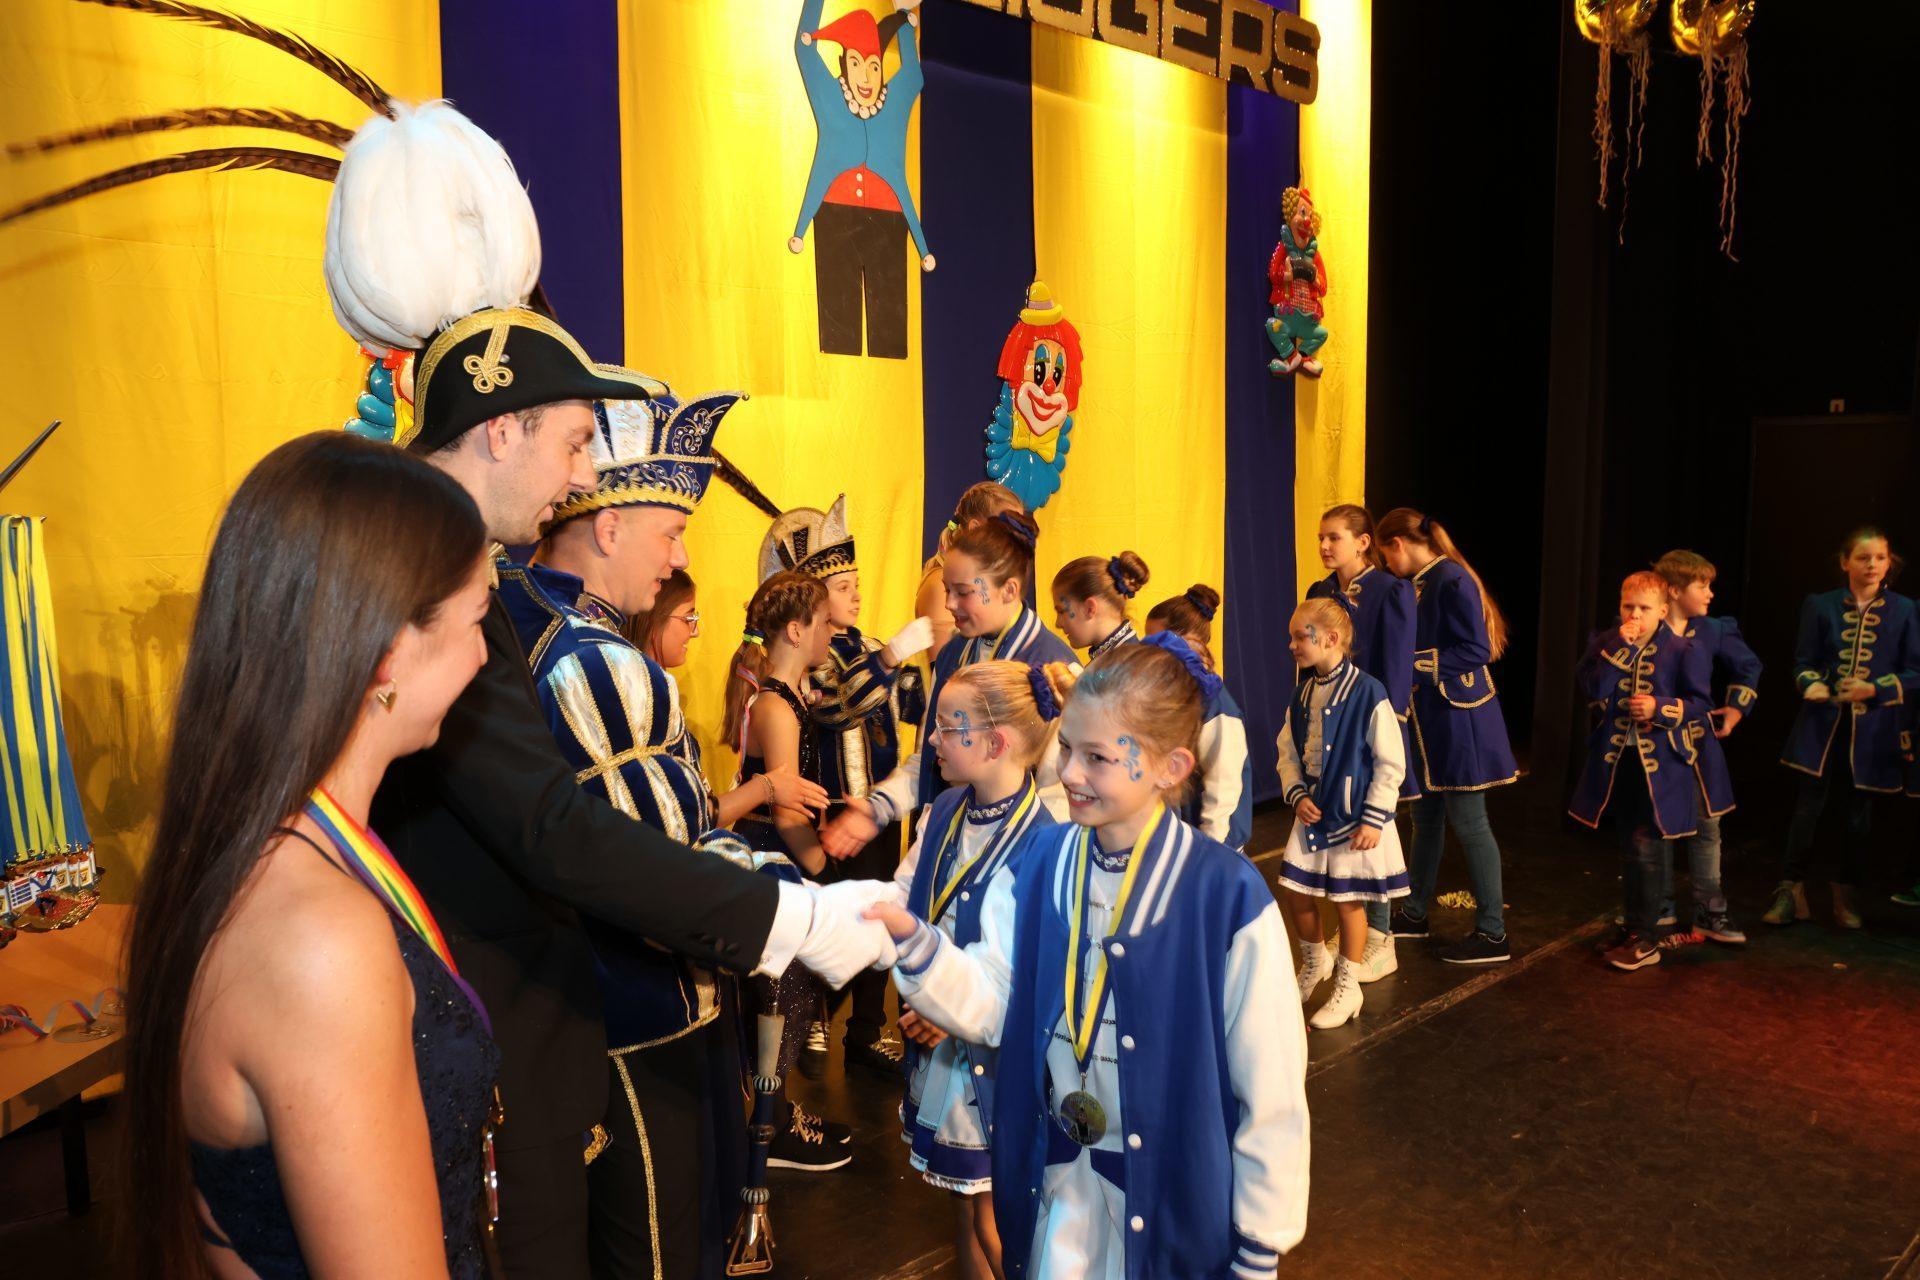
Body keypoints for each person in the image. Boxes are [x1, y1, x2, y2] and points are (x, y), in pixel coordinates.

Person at [322, 100, 895, 1268]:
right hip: (476, 1036)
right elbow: (555, 830)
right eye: (578, 441)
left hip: (518, 1032)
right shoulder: (429, 581)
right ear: (502, 430)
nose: (583, 476)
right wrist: (792, 915)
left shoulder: (457, 567)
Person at [123, 433, 495, 1278]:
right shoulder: (317, 936)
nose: (484, 655)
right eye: (478, 620)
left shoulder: (253, 849)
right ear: (389, 649)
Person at [865, 636, 1310, 1279]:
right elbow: (994, 1001)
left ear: (1171, 767)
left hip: (1171, 1201)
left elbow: (1269, 1087)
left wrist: (1259, 1244)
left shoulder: (1224, 897)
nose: (1070, 774)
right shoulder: (1043, 862)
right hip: (1059, 1187)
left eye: (1097, 758)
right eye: (1067, 749)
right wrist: (919, 945)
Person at [506, 388, 826, 1278]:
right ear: (608, 528)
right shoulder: (602, 661)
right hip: (645, 1016)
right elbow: (661, 868)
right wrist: (804, 909)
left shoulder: (524, 617)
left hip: (572, 1013)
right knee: (662, 1251)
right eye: (672, 533)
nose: (680, 558)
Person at [891, 660, 1060, 1280]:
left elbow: (1024, 971)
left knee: (998, 1216)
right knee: (964, 1205)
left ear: (995, 743)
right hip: (941, 1044)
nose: (933, 739)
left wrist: (947, 1006)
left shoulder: (1043, 842)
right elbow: (904, 894)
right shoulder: (944, 811)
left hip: (992, 1059)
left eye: (947, 726)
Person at [759, 496, 932, 1079]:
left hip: (879, 807)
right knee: (837, 920)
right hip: (836, 810)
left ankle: (866, 1029)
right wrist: (892, 657)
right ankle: (814, 1018)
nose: (856, 595)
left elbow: (909, 708)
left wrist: (921, 672)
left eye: (858, 585)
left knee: (881, 912)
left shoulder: (865, 645)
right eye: (843, 587)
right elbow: (839, 706)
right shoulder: (821, 659)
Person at [827, 510, 1078, 851]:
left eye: (963, 592)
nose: (948, 604)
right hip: (950, 842)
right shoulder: (952, 655)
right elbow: (932, 754)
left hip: (1014, 853)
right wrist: (880, 806)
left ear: (1009, 590)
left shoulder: (1055, 668)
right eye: (947, 590)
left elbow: (1060, 793)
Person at [722, 570, 853, 1172]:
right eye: (824, 622)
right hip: (775, 855)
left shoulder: (787, 697)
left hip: (780, 852)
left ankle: (773, 1113)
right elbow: (785, 807)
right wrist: (822, 863)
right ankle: (767, 1128)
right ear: (797, 632)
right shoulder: (777, 707)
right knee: (785, 993)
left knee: (790, 994)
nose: (832, 631)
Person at [1376, 508, 1520, 965]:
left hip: (1461, 718)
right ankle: (1415, 913)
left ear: (1398, 544)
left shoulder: (1451, 578)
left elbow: (1476, 649)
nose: (1387, 564)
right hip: (1430, 718)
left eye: (1385, 554)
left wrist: (1408, 666)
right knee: (1425, 818)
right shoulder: (1422, 581)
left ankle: (1493, 933)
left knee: (1471, 822)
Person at [1770, 527, 1920, 929]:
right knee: (1807, 809)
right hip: (1823, 725)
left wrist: (1875, 689)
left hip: (1873, 731)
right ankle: (1790, 891)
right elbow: (1803, 662)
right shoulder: (1820, 605)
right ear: (1845, 562)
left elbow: (1915, 672)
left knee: (1858, 815)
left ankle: (1845, 892)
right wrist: (1812, 684)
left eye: (1880, 558)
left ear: (1889, 563)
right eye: (1863, 557)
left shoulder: (1906, 610)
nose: (1872, 565)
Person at [1275, 598, 1411, 1027]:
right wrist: (1297, 794)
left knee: (1349, 902)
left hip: (1354, 818)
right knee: (1296, 892)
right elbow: (1287, 752)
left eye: (1301, 637)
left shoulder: (1368, 691)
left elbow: (1390, 761)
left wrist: (1374, 817)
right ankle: (1316, 961)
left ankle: (1348, 986)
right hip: (1313, 813)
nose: (1292, 645)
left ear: (1331, 638)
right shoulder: (1302, 694)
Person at [1570, 572, 1713, 972]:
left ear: (1663, 611)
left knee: (1649, 847)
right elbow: (1593, 687)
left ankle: (1647, 938)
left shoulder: (1683, 649)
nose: (1634, 615)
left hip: (1663, 767)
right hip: (1621, 761)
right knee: (1629, 847)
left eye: (1644, 608)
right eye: (1627, 606)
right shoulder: (1607, 642)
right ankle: (1634, 927)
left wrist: (1659, 707)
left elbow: (1700, 704)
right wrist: (1622, 648)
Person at [1306, 504, 1418, 980]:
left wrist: (1380, 731)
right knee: (1340, 831)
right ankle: (1353, 930)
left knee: (1372, 828)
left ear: (1363, 542)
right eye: (1321, 537)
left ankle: (1380, 937)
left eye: (1334, 537)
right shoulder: (1319, 592)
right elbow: (1310, 663)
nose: (1325, 546)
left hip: (1369, 727)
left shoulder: (1391, 591)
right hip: (1328, 727)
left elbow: (1396, 668)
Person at [1654, 549, 1761, 945]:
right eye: (1703, 586)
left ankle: (1708, 912)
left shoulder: (1713, 629)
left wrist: (1735, 708)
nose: (1710, 594)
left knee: (1707, 826)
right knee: (1659, 825)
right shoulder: (1647, 624)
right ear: (1674, 590)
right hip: (1656, 741)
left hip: (1699, 742)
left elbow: (1749, 666)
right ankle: (1658, 906)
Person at [1143, 584, 1255, 849]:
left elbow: (1223, 788)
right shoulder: (1170, 694)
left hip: (1212, 847)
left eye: (1158, 641)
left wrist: (1210, 851)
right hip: (1181, 840)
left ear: (1191, 641)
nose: (1151, 652)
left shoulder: (1217, 706)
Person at [917, 482, 1025, 657]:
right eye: (1008, 529)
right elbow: (946, 666)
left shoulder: (989, 584)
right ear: (975, 529)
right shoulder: (940, 585)